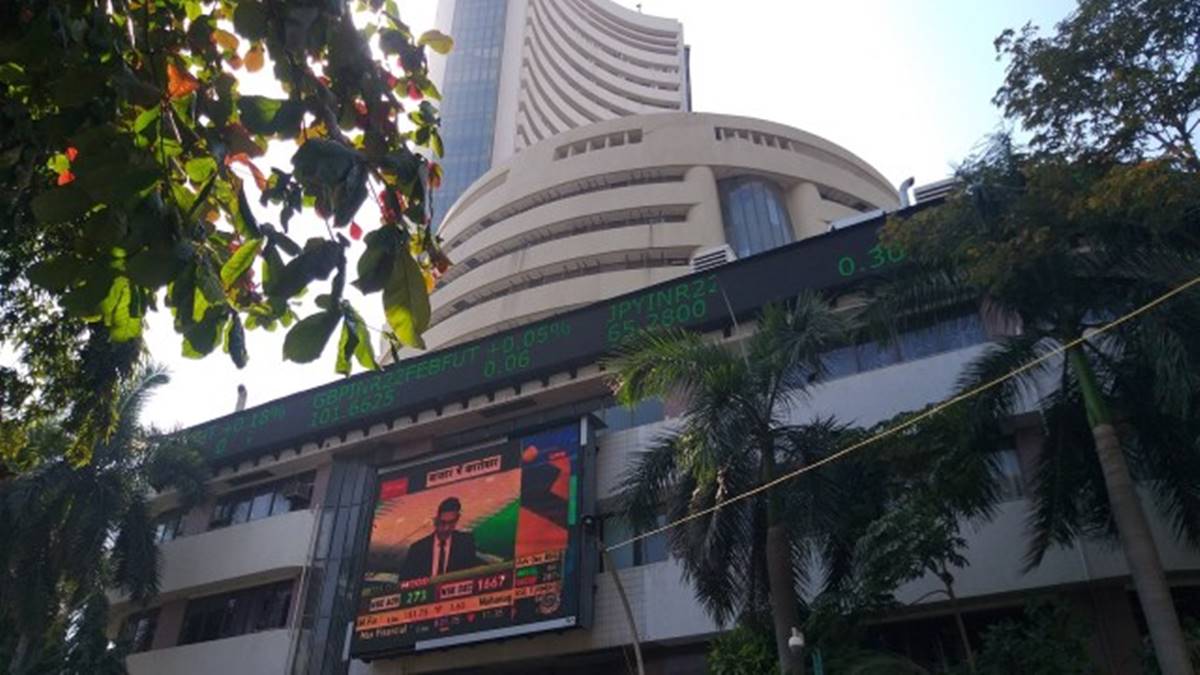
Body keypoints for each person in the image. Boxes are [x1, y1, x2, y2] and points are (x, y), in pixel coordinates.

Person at [399, 497, 481, 580]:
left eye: (451, 523)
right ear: (436, 520)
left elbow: (472, 574)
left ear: (457, 519)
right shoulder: (418, 549)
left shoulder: (465, 543)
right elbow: (404, 581)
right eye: (443, 523)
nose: (446, 528)